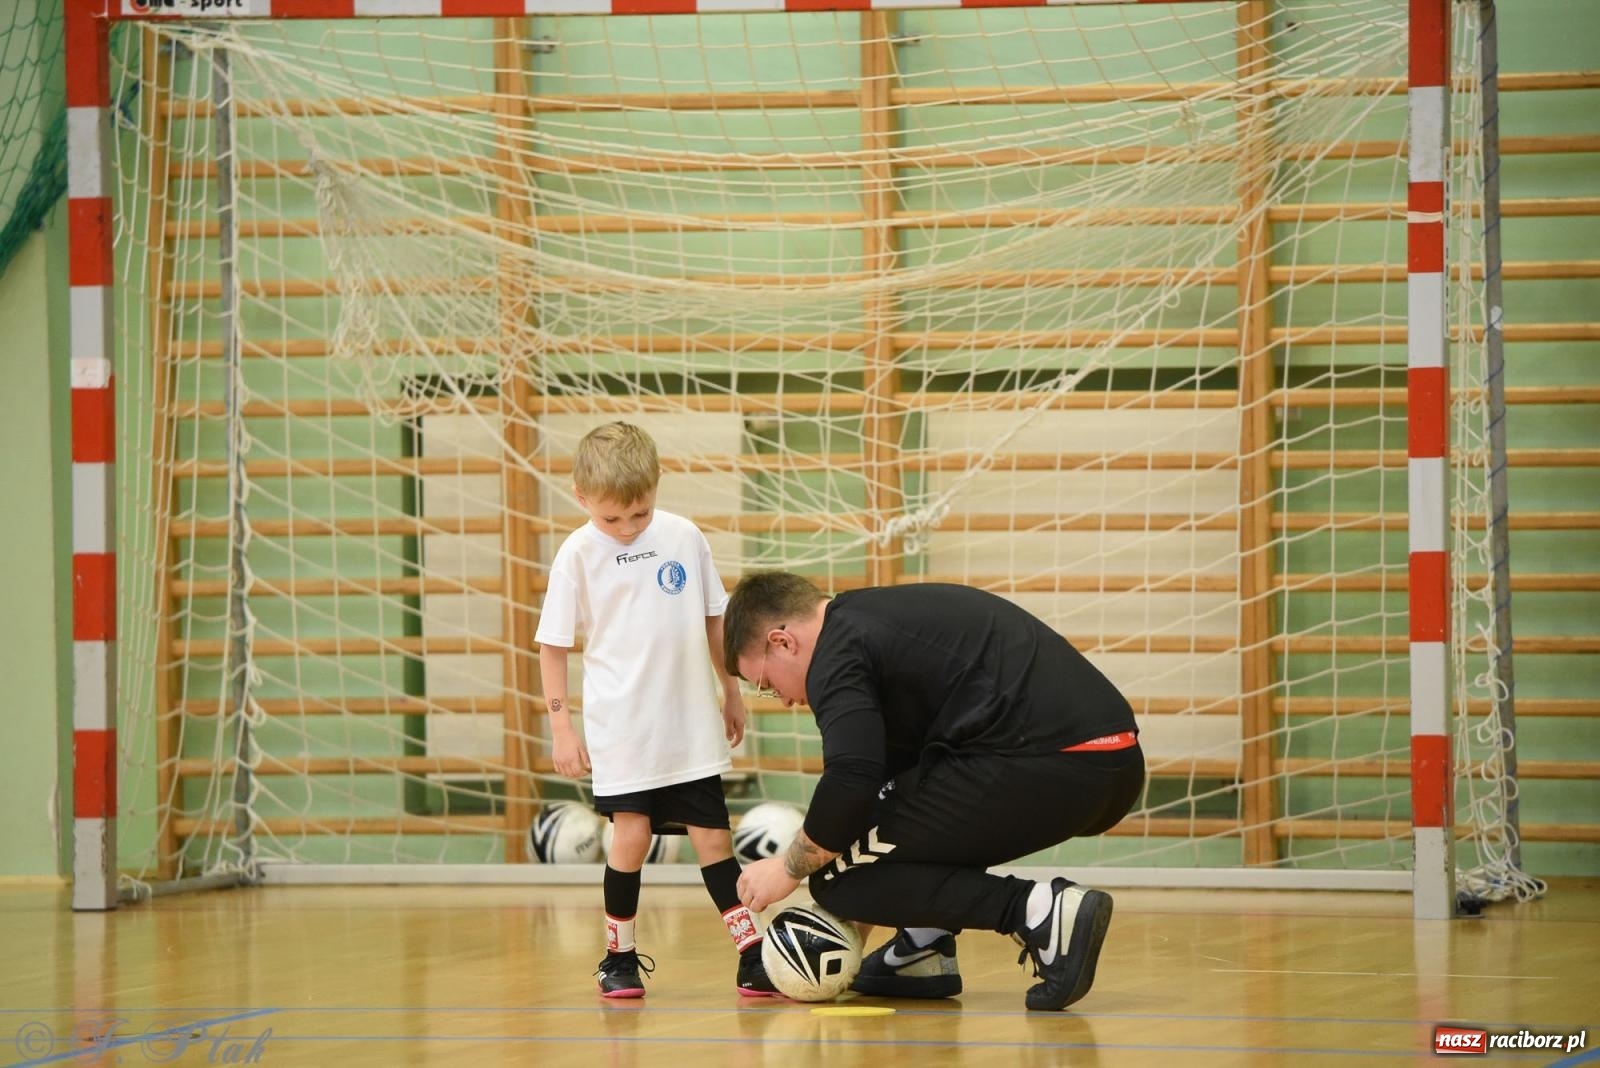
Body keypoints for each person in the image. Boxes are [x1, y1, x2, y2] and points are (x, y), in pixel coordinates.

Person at [723, 572, 1145, 1011]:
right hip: (1105, 762)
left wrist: (789, 870)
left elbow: (850, 780)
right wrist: (874, 905)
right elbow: (880, 791)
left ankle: (1040, 910)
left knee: (833, 879)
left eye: (768, 685)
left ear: (782, 642)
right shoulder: (869, 622)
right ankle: (923, 949)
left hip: (1053, 762)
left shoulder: (837, 653)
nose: (785, 700)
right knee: (869, 830)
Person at [536, 422, 778, 999]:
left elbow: (714, 619)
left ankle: (751, 954)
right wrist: (562, 726)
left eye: (639, 514)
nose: (627, 528)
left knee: (714, 841)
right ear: (581, 497)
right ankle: (618, 958)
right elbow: (552, 645)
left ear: (656, 488)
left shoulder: (683, 537)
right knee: (630, 839)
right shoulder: (576, 554)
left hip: (689, 723)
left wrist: (733, 690)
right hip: (622, 729)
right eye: (611, 518)